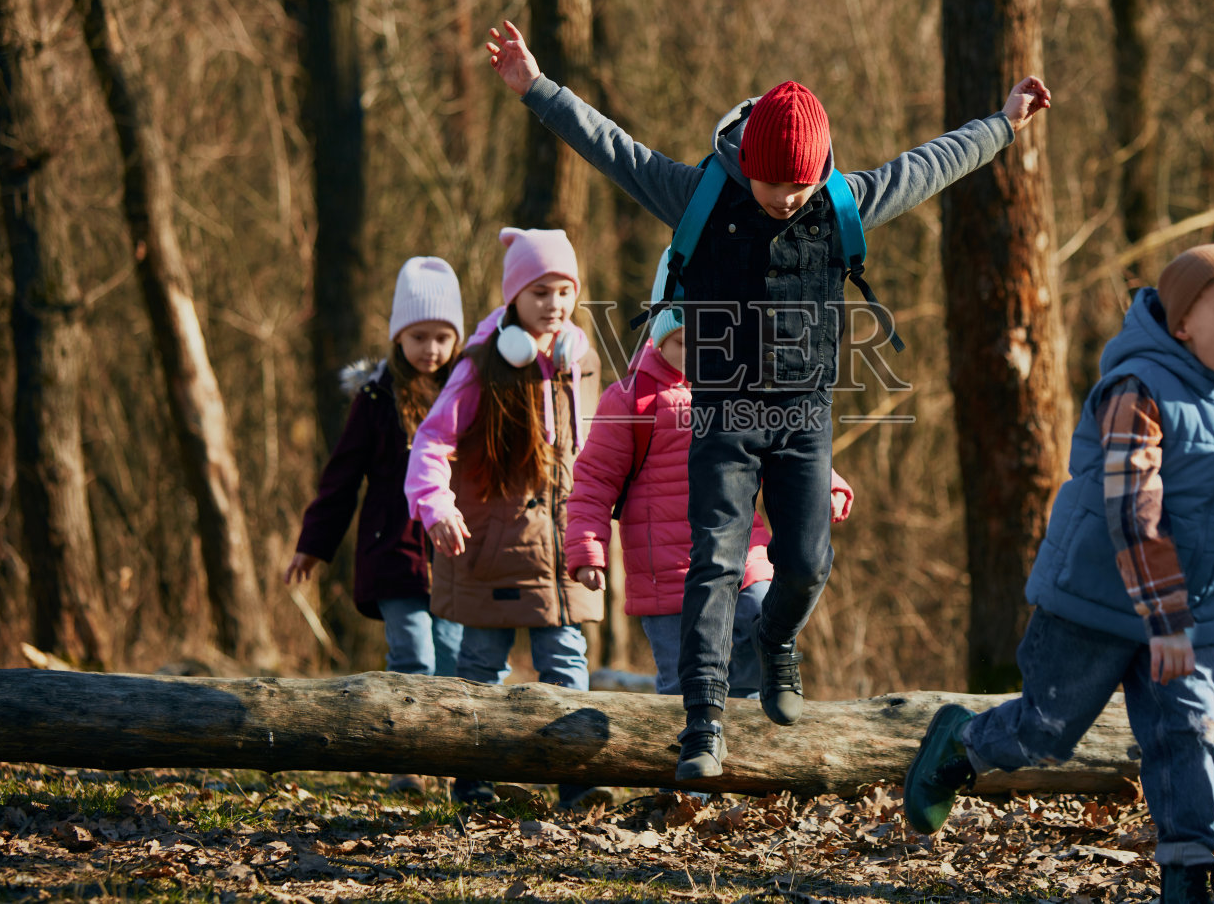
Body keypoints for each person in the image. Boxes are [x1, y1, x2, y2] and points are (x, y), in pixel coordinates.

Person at [485, 19, 1051, 782]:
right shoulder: (699, 195)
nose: (787, 199)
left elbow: (928, 165)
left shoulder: (840, 203)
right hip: (722, 410)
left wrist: (1003, 124)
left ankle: (778, 640)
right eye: (774, 184)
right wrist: (536, 88)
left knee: (807, 563)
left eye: (801, 185)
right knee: (714, 562)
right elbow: (614, 148)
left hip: (801, 416)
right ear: (746, 164)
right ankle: (703, 722)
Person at [902, 245, 1214, 904]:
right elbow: (1134, 511)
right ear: (1182, 323)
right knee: (1044, 732)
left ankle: (1189, 875)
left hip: (1183, 613)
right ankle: (960, 742)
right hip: (1093, 601)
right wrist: (1164, 616)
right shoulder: (1136, 388)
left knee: (1192, 733)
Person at [564, 254, 855, 701]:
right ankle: (694, 737)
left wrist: (825, 485)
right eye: (685, 342)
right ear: (660, 337)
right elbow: (593, 481)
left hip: (742, 556)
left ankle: (755, 726)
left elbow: (788, 449)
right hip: (669, 577)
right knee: (687, 687)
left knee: (762, 623)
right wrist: (588, 549)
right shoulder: (631, 400)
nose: (699, 354)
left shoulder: (748, 389)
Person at [404, 227, 610, 811]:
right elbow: (431, 442)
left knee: (566, 663)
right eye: (540, 292)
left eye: (565, 291)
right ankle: (475, 780)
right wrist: (436, 505)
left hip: (563, 548)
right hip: (492, 549)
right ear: (514, 296)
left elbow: (600, 450)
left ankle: (576, 780)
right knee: (480, 667)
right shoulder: (480, 366)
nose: (554, 304)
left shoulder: (581, 362)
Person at [285, 256, 466, 795]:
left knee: (453, 659)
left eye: (442, 337)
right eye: (418, 337)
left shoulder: (467, 393)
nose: (430, 349)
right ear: (398, 337)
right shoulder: (375, 398)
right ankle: (406, 761)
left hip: (453, 554)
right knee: (413, 655)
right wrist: (314, 544)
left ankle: (451, 761)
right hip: (393, 551)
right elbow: (341, 477)